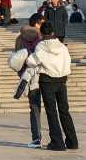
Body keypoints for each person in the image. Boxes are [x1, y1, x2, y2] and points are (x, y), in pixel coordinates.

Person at [27, 22, 78, 152]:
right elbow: (68, 61)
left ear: (41, 33)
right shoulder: (62, 46)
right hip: (62, 80)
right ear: (53, 32)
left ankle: (57, 142)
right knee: (64, 110)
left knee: (51, 111)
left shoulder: (41, 46)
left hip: (47, 80)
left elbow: (32, 61)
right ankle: (72, 141)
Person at [13, 15, 44, 148]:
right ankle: (57, 137)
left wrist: (22, 75)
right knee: (51, 107)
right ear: (37, 24)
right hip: (45, 75)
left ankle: (36, 138)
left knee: (34, 108)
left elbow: (17, 60)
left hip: (29, 77)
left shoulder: (20, 39)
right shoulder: (42, 38)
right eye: (41, 23)